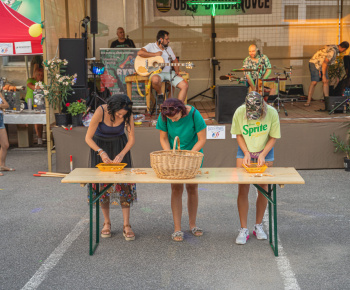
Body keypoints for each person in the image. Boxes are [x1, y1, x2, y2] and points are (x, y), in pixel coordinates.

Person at [231, 91, 281, 245]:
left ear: (262, 108)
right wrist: (246, 152)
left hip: (265, 149)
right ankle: (243, 228)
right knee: (243, 187)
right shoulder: (239, 112)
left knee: (263, 188)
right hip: (245, 148)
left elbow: (273, 137)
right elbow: (238, 134)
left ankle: (258, 225)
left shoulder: (272, 113)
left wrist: (263, 154)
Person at [85, 94, 137, 240]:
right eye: (119, 113)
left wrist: (121, 154)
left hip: (120, 146)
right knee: (102, 185)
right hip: (100, 147)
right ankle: (107, 222)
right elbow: (88, 138)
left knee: (124, 184)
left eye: (124, 114)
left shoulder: (127, 114)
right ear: (111, 109)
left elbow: (131, 139)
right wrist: (101, 152)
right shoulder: (100, 111)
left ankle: (127, 225)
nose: (121, 116)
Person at [156, 98, 206, 242]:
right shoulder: (165, 116)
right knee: (176, 189)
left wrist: (190, 155)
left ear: (181, 111)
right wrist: (170, 154)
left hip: (193, 155)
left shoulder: (194, 114)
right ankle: (177, 228)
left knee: (192, 188)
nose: (173, 121)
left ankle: (193, 225)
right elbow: (163, 138)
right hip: (175, 156)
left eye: (176, 118)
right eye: (170, 119)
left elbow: (202, 139)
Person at [137, 30, 188, 102]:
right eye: (167, 39)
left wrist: (177, 72)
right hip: (157, 73)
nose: (169, 41)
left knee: (184, 86)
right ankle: (160, 94)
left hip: (168, 73)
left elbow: (174, 61)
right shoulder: (151, 46)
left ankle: (179, 108)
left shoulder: (168, 49)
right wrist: (154, 54)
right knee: (155, 80)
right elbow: (140, 53)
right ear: (160, 40)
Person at [305, 41, 349, 106]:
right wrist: (323, 76)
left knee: (326, 81)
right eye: (344, 50)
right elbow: (325, 63)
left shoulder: (334, 47)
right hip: (314, 63)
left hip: (322, 64)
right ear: (344, 49)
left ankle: (327, 101)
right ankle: (308, 101)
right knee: (314, 82)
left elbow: (327, 63)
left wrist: (325, 75)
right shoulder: (333, 51)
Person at [25, 68, 44, 145]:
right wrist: (39, 87)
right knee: (26, 120)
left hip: (39, 103)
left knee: (39, 120)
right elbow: (32, 87)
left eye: (42, 75)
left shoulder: (43, 82)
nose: (40, 76)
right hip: (29, 102)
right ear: (35, 75)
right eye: (39, 74)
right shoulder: (30, 80)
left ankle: (39, 138)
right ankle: (28, 139)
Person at [0, 92, 15, 174]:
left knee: (5, 145)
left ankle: (2, 165)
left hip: (0, 118)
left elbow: (7, 105)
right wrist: (2, 106)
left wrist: (1, 106)